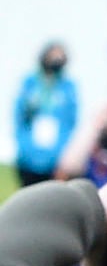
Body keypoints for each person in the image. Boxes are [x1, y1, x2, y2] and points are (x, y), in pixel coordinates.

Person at [15, 42, 77, 188]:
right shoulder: (30, 82)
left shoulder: (68, 87)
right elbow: (19, 115)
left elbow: (71, 121)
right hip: (29, 153)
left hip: (55, 154)